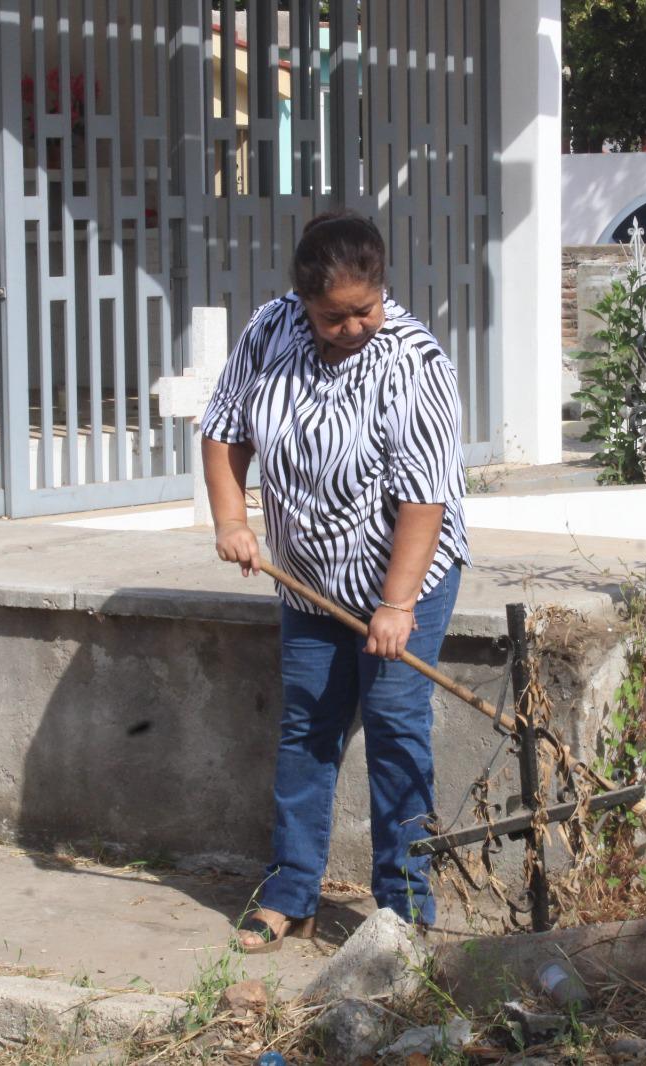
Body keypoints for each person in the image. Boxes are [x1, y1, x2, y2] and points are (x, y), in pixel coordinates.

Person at [200, 209, 469, 953]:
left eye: (365, 310)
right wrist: (232, 521)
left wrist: (396, 604)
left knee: (394, 730)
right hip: (309, 578)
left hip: (401, 573)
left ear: (383, 290)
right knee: (307, 732)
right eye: (333, 316)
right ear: (303, 301)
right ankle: (291, 891)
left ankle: (403, 911)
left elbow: (425, 497)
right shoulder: (270, 330)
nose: (352, 327)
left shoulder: (415, 362)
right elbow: (224, 430)